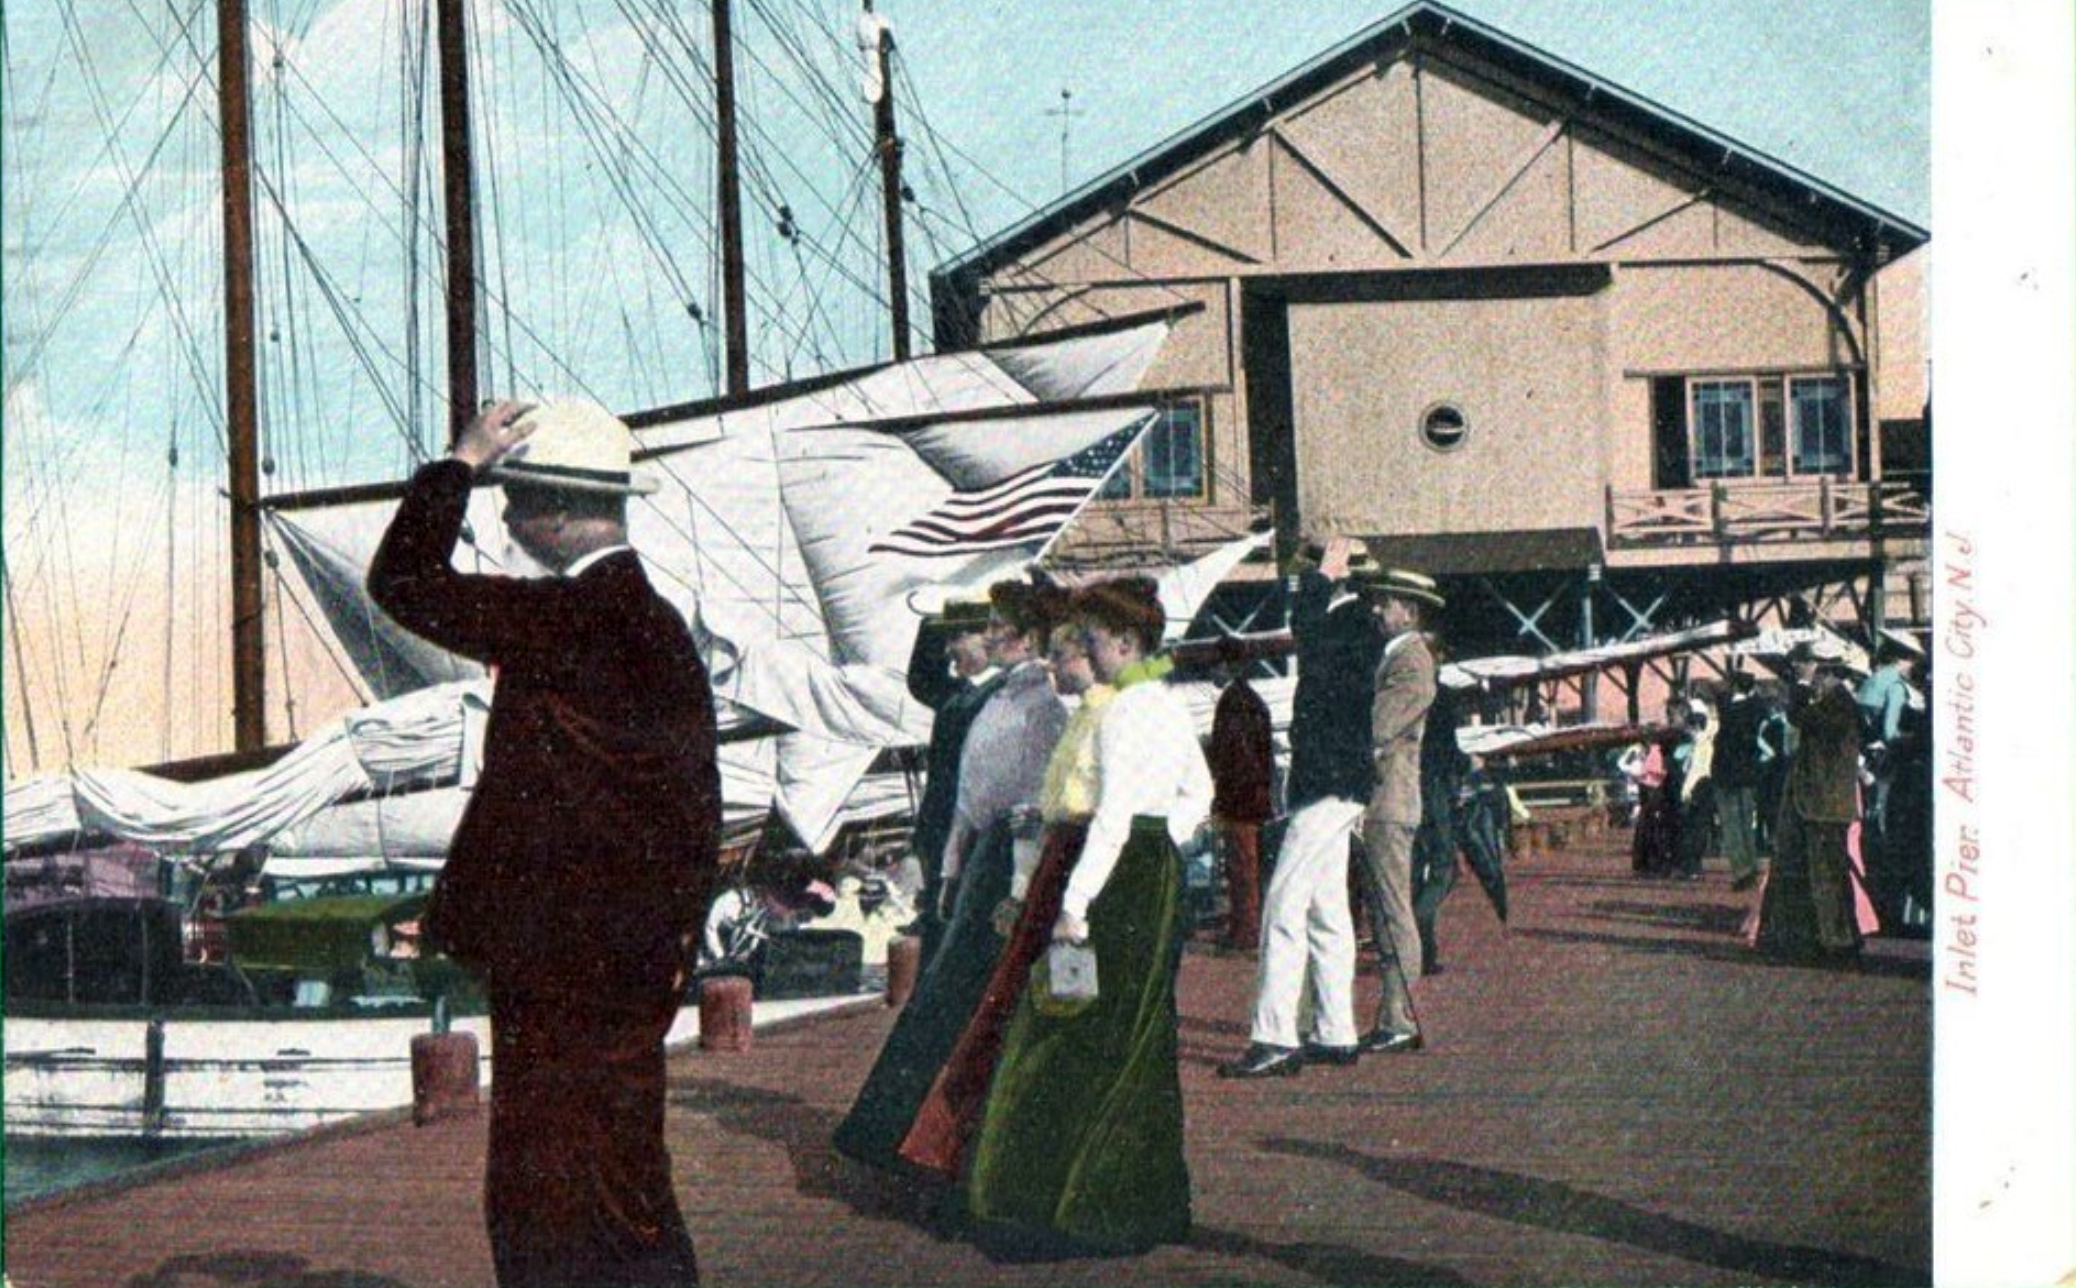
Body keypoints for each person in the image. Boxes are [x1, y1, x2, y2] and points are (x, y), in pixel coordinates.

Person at [367, 397, 717, 1288]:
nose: (512, 522)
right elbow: (696, 809)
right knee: (621, 1170)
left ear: (557, 514)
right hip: (633, 951)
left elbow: (403, 581)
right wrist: (672, 940)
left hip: (562, 953)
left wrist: (458, 465)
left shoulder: (568, 619)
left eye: (517, 504)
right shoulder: (659, 624)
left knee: (548, 1183)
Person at [962, 576, 1212, 1253]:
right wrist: (1172, 841)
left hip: (1115, 878)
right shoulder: (1163, 703)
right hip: (1153, 872)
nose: (1088, 653)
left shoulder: (1125, 711)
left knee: (1066, 1032)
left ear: (1127, 642)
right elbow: (1200, 790)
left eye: (1096, 641)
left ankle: (1061, 1203)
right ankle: (1142, 1200)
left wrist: (1075, 905)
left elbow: (1113, 818)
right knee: (1138, 1031)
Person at [833, 579, 1068, 1173]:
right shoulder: (975, 698)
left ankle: (907, 1130)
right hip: (957, 859)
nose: (963, 647)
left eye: (981, 632)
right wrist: (933, 614)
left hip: (983, 864)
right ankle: (906, 1129)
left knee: (950, 1001)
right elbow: (926, 680)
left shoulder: (1009, 702)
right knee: (945, 999)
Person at [897, 613, 1116, 1175]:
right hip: (1001, 860)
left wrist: (1034, 886)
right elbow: (977, 798)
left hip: (1030, 866)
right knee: (981, 1000)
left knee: (1015, 1001)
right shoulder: (1002, 700)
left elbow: (1044, 805)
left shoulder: (1052, 710)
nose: (985, 639)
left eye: (996, 629)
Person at [1218, 537, 1383, 1079]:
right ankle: (1336, 1030)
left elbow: (1306, 628)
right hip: (1334, 781)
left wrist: (1319, 579)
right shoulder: (1354, 624)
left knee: (1283, 904)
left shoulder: (1354, 622)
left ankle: (1274, 1035)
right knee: (1325, 907)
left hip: (1329, 781)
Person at [1354, 568, 1445, 1055]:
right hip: (1386, 800)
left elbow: (1378, 726)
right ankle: (1393, 1014)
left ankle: (1400, 1017)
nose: (1376, 610)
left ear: (1408, 611)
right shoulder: (1398, 657)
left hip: (1389, 801)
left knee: (1391, 911)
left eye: (1384, 603)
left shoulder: (1410, 661)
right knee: (1386, 909)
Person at [903, 597, 1003, 961]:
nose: (947, 651)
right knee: (939, 936)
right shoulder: (956, 695)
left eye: (956, 638)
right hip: (940, 836)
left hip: (975, 841)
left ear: (986, 638)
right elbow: (921, 677)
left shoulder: (1003, 694)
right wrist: (934, 618)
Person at [1755, 638, 1864, 962]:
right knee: (1816, 877)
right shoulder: (1836, 702)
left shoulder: (1839, 704)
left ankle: (1837, 943)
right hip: (1817, 804)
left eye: (1809, 667)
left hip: (1823, 805)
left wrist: (1801, 684)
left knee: (1825, 878)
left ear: (1825, 669)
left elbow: (1800, 717)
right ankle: (1819, 942)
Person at [1207, 665, 1275, 951]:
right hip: (1257, 795)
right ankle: (1247, 927)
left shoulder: (1231, 702)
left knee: (1241, 868)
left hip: (1239, 798)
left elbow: (1231, 753)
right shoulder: (1254, 700)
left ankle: (1245, 931)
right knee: (1252, 867)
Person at [1410, 678, 1467, 972]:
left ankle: (1421, 952)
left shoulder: (1393, 687)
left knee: (1414, 870)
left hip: (1404, 789)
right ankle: (1420, 921)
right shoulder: (1441, 695)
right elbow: (1448, 750)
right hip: (1434, 790)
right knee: (1446, 867)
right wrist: (1469, 764)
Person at [1712, 670, 1768, 891]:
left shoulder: (1729, 708)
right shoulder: (1758, 708)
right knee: (1747, 823)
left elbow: (1719, 695)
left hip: (1726, 774)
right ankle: (1751, 864)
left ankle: (1742, 870)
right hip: (1749, 774)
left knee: (1732, 824)